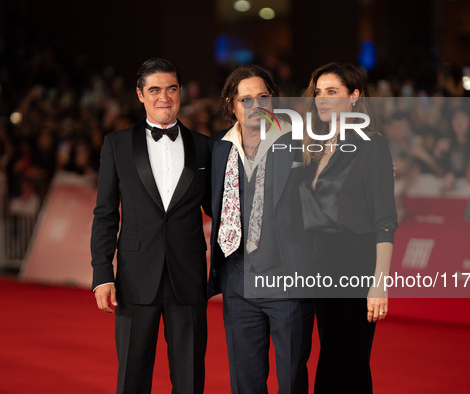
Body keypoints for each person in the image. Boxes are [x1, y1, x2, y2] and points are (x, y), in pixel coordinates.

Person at [90, 58, 211, 393]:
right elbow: (105, 213)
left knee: (189, 379)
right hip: (134, 277)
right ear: (140, 95)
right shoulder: (116, 145)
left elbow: (219, 209)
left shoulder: (204, 147)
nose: (164, 97)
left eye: (171, 89)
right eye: (155, 89)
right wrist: (102, 273)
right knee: (132, 376)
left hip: (187, 279)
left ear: (180, 93)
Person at [208, 65, 314, 394]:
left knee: (291, 378)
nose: (256, 106)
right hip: (238, 281)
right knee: (245, 380)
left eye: (263, 97)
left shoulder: (299, 144)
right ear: (232, 104)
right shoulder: (218, 149)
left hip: (287, 280)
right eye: (247, 99)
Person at [299, 63, 398, 393]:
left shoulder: (372, 146)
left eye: (332, 92)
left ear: (354, 96)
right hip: (319, 269)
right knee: (336, 362)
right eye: (318, 93)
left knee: (345, 365)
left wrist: (379, 284)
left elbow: (384, 220)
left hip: (354, 267)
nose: (322, 100)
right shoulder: (313, 146)